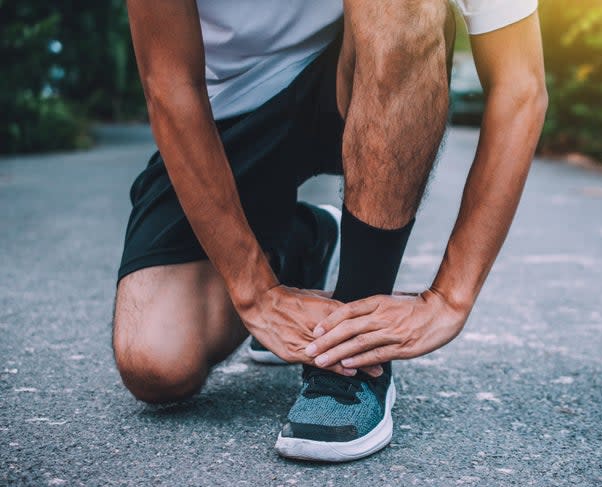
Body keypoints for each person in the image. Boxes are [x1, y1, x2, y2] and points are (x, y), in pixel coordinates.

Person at [113, 0, 547, 462]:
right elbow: (170, 82)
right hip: (225, 114)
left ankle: (355, 339)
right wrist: (255, 291)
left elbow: (520, 87)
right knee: (157, 362)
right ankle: (303, 242)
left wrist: (451, 297)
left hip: (354, 77)